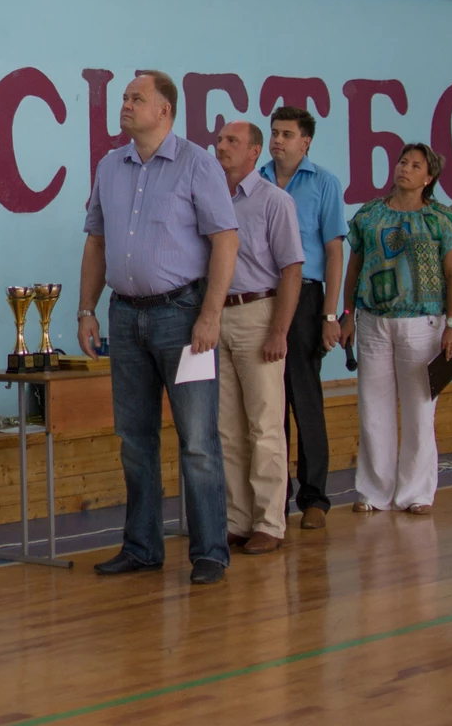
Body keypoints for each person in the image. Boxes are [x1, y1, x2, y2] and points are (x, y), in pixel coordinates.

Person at [77, 70, 239, 586]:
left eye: (136, 98)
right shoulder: (109, 165)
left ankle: (210, 551)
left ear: (164, 110)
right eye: (124, 97)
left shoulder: (197, 164)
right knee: (134, 440)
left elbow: (226, 240)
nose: (125, 105)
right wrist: (85, 310)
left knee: (198, 441)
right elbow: (96, 241)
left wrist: (211, 314)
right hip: (124, 317)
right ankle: (142, 547)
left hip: (183, 316)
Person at [340, 143, 452, 515]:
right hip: (373, 321)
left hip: (424, 322)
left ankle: (416, 494)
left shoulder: (441, 218)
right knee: (372, 407)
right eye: (402, 162)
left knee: (419, 411)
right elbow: (354, 267)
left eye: (415, 165)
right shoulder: (369, 214)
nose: (405, 169)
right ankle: (374, 492)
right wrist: (347, 313)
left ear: (429, 177)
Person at [215, 122, 304, 555]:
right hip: (217, 315)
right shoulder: (210, 197)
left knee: (265, 424)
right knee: (227, 429)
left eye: (231, 141)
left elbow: (292, 270)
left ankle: (270, 521)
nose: (221, 146)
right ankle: (238, 519)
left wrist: (279, 331)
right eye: (219, 140)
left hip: (259, 312)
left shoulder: (275, 201)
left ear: (254, 151)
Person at [260, 105, 347, 531]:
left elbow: (334, 251)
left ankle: (314, 497)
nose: (278, 140)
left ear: (306, 141)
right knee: (267, 403)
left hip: (308, 298)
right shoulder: (255, 180)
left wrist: (331, 313)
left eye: (287, 134)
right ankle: (273, 499)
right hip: (262, 298)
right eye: (274, 133)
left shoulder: (324, 183)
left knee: (304, 399)